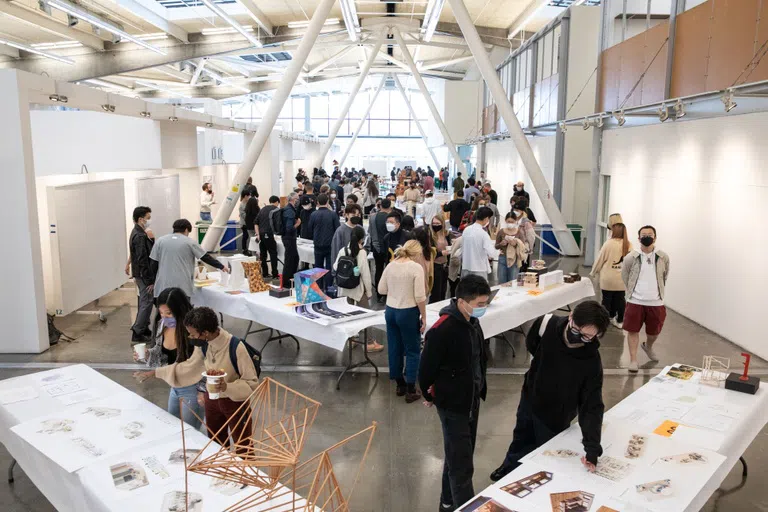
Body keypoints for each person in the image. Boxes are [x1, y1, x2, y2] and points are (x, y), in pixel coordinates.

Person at [490, 300, 610, 482]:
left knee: (547, 453)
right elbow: (533, 345)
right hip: (530, 397)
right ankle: (509, 469)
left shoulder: (591, 361)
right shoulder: (546, 324)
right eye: (576, 330)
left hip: (557, 414)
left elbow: (592, 405)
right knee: (520, 437)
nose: (579, 338)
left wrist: (592, 449)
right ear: (570, 317)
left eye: (587, 337)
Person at [136, 307, 258, 450]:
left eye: (193, 334)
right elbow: (189, 367)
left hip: (235, 404)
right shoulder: (204, 345)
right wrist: (156, 372)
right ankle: (219, 471)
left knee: (244, 448)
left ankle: (243, 472)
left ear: (205, 333)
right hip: (211, 401)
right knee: (216, 445)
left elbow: (252, 383)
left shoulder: (236, 347)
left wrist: (226, 387)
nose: (190, 338)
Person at [420, 275, 490, 511]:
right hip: (453, 405)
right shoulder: (442, 330)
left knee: (458, 455)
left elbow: (479, 358)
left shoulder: (473, 322)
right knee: (462, 466)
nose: (484, 308)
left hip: (471, 400)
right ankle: (465, 506)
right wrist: (429, 395)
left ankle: (447, 503)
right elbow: (426, 368)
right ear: (462, 302)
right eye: (481, 304)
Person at [135, 287, 203, 428]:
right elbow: (161, 355)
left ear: (180, 311)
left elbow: (199, 364)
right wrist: (147, 354)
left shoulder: (194, 331)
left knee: (189, 432)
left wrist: (203, 392)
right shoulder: (162, 326)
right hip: (174, 385)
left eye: (169, 314)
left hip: (193, 387)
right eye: (161, 313)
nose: (165, 318)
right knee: (172, 427)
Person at [377, 240, 427, 403]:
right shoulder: (416, 268)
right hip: (408, 312)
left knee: (395, 347)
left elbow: (381, 289)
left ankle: (400, 384)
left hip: (390, 311)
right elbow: (420, 297)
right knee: (412, 350)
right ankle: (411, 389)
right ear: (417, 253)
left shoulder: (391, 265)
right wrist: (424, 317)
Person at [621, 226, 670, 373]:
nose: (647, 237)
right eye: (644, 235)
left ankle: (648, 346)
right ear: (638, 238)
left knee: (653, 332)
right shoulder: (631, 257)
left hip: (656, 302)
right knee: (632, 330)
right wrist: (632, 292)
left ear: (655, 237)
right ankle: (633, 360)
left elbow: (664, 275)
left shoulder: (662, 257)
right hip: (635, 301)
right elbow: (625, 275)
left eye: (650, 235)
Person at [150, 219, 229, 298]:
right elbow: (205, 257)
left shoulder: (160, 241)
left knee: (164, 308)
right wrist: (221, 266)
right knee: (182, 308)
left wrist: (152, 281)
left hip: (163, 285)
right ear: (186, 230)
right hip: (182, 285)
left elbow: (153, 263)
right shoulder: (190, 242)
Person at [334, 226, 384, 352]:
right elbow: (366, 274)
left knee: (348, 316)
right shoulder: (361, 253)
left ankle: (351, 340)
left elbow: (335, 267)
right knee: (366, 316)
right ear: (362, 239)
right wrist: (369, 291)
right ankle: (369, 343)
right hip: (358, 288)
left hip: (344, 288)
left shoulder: (343, 250)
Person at [591, 223, 631, 330]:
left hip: (608, 277)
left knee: (607, 299)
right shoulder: (629, 245)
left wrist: (593, 272)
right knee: (620, 299)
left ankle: (605, 320)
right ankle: (620, 320)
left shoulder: (608, 244)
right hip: (622, 279)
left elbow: (600, 259)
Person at [129, 206, 155, 342]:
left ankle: (144, 328)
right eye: (148, 218)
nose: (149, 221)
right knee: (146, 302)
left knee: (146, 302)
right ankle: (137, 331)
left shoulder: (139, 233)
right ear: (141, 219)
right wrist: (150, 280)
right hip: (144, 275)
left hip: (141, 274)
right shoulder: (139, 236)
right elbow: (142, 259)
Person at [308, 193, 340, 291]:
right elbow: (337, 229)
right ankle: (328, 286)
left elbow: (310, 228)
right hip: (330, 244)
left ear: (317, 202)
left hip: (317, 243)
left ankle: (318, 286)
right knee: (329, 266)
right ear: (327, 202)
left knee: (318, 266)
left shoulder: (313, 214)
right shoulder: (332, 214)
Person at [460, 207, 497, 280]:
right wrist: (498, 252)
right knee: (479, 290)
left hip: (466, 266)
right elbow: (492, 253)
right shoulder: (483, 234)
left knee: (466, 290)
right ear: (486, 219)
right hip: (479, 268)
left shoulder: (466, 230)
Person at [495, 213, 527, 285]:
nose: (510, 223)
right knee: (501, 282)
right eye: (508, 221)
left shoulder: (519, 232)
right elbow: (496, 246)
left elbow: (523, 247)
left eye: (512, 222)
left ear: (516, 221)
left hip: (514, 259)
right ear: (505, 221)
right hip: (502, 258)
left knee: (513, 281)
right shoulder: (501, 232)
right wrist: (501, 244)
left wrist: (515, 244)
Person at [370, 198, 392, 296]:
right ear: (390, 206)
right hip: (389, 248)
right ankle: (388, 291)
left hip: (376, 247)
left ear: (380, 205)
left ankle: (378, 292)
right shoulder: (391, 218)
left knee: (378, 269)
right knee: (389, 270)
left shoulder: (373, 217)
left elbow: (370, 232)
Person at [255, 196, 279, 280]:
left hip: (261, 234)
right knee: (273, 253)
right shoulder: (276, 210)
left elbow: (256, 223)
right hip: (269, 234)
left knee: (263, 255)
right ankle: (275, 274)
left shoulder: (263, 209)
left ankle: (265, 273)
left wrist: (258, 234)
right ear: (277, 202)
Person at [429, 217, 453, 304]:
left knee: (443, 291)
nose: (435, 225)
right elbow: (429, 253)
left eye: (437, 223)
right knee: (436, 293)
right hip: (435, 266)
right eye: (434, 223)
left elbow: (449, 246)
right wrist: (441, 253)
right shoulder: (430, 236)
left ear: (442, 224)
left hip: (445, 265)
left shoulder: (446, 234)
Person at [281, 192, 301, 285]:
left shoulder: (289, 209)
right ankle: (287, 281)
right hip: (289, 238)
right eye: (297, 198)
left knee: (295, 258)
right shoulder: (289, 211)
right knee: (290, 259)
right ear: (293, 199)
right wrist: (297, 224)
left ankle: (291, 279)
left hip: (289, 238)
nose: (298, 200)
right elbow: (289, 228)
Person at [412, 226, 436, 295]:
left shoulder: (414, 254)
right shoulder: (429, 253)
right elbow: (430, 274)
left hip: (414, 288)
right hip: (425, 288)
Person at [238, 190, 252, 256]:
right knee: (245, 236)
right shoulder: (242, 205)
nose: (249, 197)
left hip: (248, 223)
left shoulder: (248, 203)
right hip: (244, 223)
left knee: (248, 236)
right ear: (245, 196)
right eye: (249, 196)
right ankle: (244, 249)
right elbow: (243, 215)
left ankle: (249, 249)